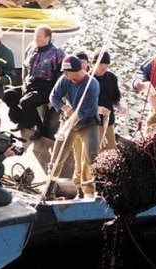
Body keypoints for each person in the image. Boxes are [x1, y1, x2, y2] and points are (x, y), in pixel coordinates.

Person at [45, 55, 109, 200]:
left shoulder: (92, 85)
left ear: (76, 70)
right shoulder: (65, 80)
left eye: (67, 72)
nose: (65, 75)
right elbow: (53, 97)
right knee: (57, 158)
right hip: (68, 121)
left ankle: (100, 192)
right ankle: (48, 193)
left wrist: (72, 117)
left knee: (92, 158)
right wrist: (63, 107)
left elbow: (84, 111)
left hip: (87, 123)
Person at [71, 50, 126, 198]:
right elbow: (79, 105)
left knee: (111, 154)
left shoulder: (111, 78)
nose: (104, 67)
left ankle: (110, 186)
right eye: (101, 64)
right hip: (92, 124)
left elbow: (116, 97)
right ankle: (87, 189)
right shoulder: (86, 80)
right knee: (90, 157)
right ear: (94, 63)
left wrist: (120, 105)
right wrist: (96, 109)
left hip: (108, 123)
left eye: (106, 64)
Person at [2, 24, 65, 140]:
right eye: (35, 36)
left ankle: (40, 128)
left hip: (46, 87)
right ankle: (24, 121)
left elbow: (61, 76)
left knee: (26, 102)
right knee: (8, 95)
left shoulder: (57, 53)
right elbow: (25, 67)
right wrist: (24, 83)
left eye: (40, 37)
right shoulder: (31, 47)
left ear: (48, 38)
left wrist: (56, 96)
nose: (37, 39)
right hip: (30, 83)